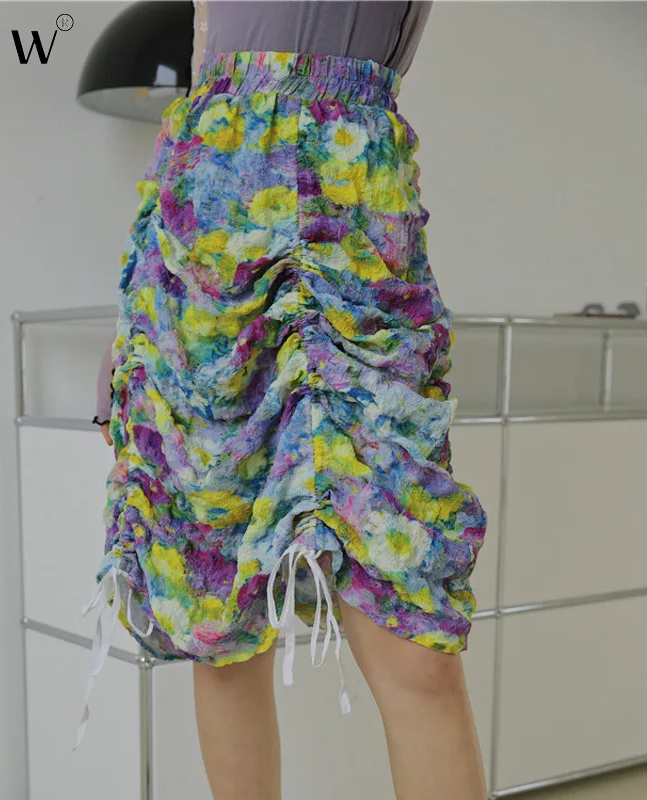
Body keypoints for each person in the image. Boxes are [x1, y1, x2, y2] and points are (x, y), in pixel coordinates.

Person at [85, 2, 488, 798]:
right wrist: (131, 335)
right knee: (220, 627)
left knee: (417, 646)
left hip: (353, 246)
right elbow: (207, 82)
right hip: (206, 262)